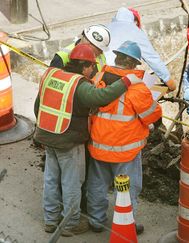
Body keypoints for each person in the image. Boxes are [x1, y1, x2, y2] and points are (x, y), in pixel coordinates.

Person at [34, 44, 143, 236]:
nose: (94, 70)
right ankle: (70, 224)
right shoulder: (79, 84)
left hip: (47, 135)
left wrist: (43, 130)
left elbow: (38, 104)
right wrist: (126, 81)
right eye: (91, 66)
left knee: (51, 180)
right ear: (84, 65)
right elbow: (101, 97)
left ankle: (50, 220)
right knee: (72, 183)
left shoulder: (52, 74)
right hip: (68, 139)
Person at [86, 41, 162, 235]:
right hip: (125, 150)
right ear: (134, 65)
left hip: (98, 146)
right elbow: (152, 116)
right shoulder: (137, 87)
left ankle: (95, 221)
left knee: (97, 185)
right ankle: (127, 223)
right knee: (128, 189)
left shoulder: (99, 76)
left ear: (117, 58)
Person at [105, 7, 176, 92]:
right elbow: (153, 59)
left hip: (102, 74)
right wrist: (169, 81)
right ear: (134, 21)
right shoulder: (135, 31)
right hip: (119, 76)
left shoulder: (106, 27)